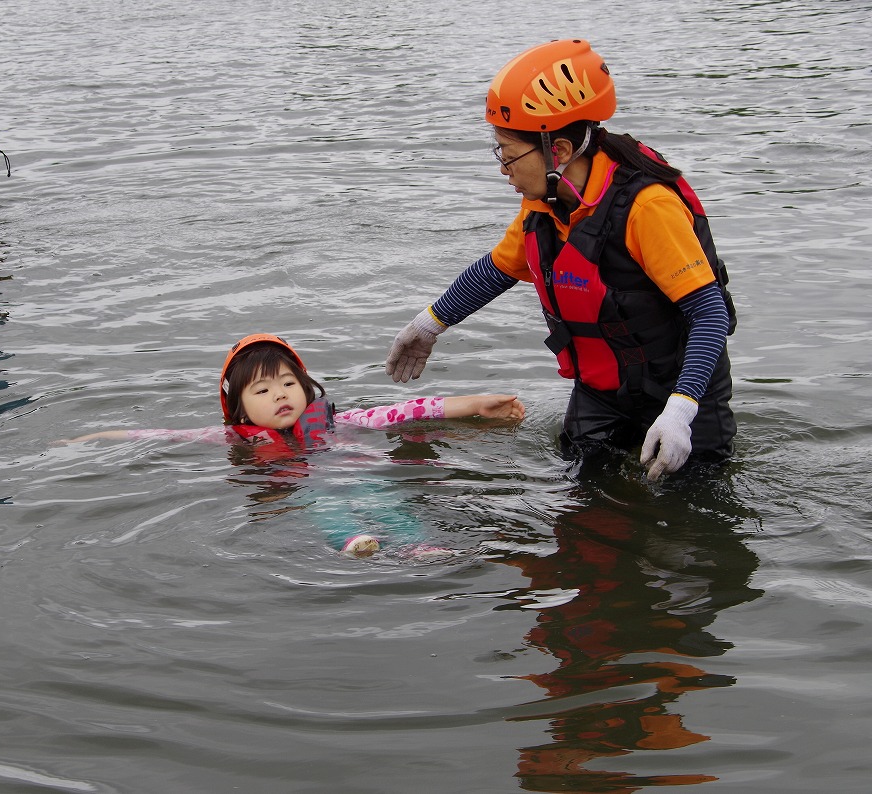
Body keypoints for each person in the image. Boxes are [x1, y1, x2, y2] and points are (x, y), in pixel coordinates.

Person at [385, 39, 737, 480]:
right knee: (580, 499)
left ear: (561, 152)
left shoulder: (647, 208)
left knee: (692, 514)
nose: (502, 169)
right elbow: (495, 271)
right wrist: (426, 326)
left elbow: (709, 313)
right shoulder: (545, 204)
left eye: (509, 156)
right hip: (602, 391)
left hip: (682, 388)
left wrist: (681, 411)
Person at [67, 333, 526, 557]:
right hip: (309, 489)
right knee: (318, 502)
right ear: (241, 411)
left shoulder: (343, 421)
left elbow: (412, 410)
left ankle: (417, 546)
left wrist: (475, 405)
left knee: (384, 502)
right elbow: (166, 437)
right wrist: (100, 436)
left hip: (356, 474)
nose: (280, 395)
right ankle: (351, 541)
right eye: (263, 391)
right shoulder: (231, 438)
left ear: (307, 387)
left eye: (288, 383)